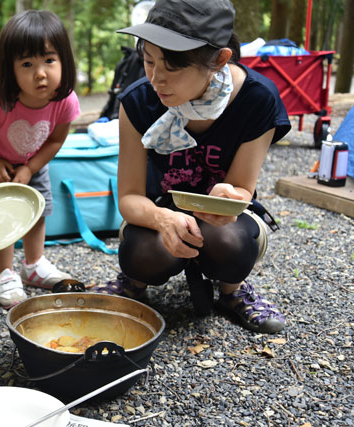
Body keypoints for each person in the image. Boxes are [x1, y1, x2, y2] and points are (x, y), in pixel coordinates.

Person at [95, 0, 289, 334]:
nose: (156, 79)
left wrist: (231, 196)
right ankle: (134, 284)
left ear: (219, 59)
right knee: (141, 253)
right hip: (159, 213)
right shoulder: (137, 101)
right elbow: (128, 197)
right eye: (149, 60)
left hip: (226, 220)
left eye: (171, 67)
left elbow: (243, 187)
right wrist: (164, 218)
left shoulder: (257, 99)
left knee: (231, 246)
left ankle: (232, 290)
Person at [0, 10, 81, 308]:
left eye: (49, 60)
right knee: (2, 215)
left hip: (33, 162)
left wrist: (31, 168)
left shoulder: (64, 99)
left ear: (64, 61)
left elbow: (55, 139)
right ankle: (4, 272)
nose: (40, 73)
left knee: (37, 210)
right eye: (27, 64)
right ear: (10, 69)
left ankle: (33, 264)